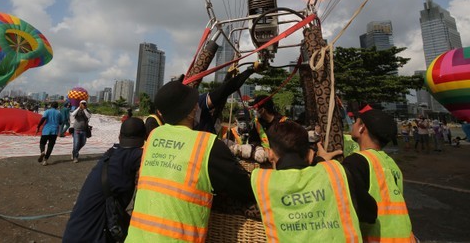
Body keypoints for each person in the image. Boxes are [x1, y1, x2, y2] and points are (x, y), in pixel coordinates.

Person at [125, 81, 255, 242]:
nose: (197, 107)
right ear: (191, 112)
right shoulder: (207, 144)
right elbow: (244, 188)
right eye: (195, 105)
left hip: (136, 237)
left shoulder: (153, 137)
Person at [251, 120, 376, 241]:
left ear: (271, 154)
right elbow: (370, 213)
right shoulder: (336, 174)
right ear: (310, 155)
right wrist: (321, 162)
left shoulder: (262, 182)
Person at [63, 117, 147, 243]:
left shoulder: (111, 153)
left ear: (119, 136)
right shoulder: (133, 156)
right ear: (144, 138)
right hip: (91, 237)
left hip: (75, 232)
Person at [343, 109, 416, 242]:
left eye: (355, 122)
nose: (352, 125)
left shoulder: (357, 161)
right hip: (404, 237)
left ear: (362, 128)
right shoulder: (390, 163)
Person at [35, 101, 64, 166]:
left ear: (51, 105)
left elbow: (43, 119)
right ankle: (45, 160)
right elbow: (61, 122)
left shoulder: (47, 111)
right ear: (57, 106)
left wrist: (38, 127)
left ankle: (42, 152)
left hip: (46, 130)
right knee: (50, 146)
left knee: (42, 143)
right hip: (54, 131)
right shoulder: (59, 113)